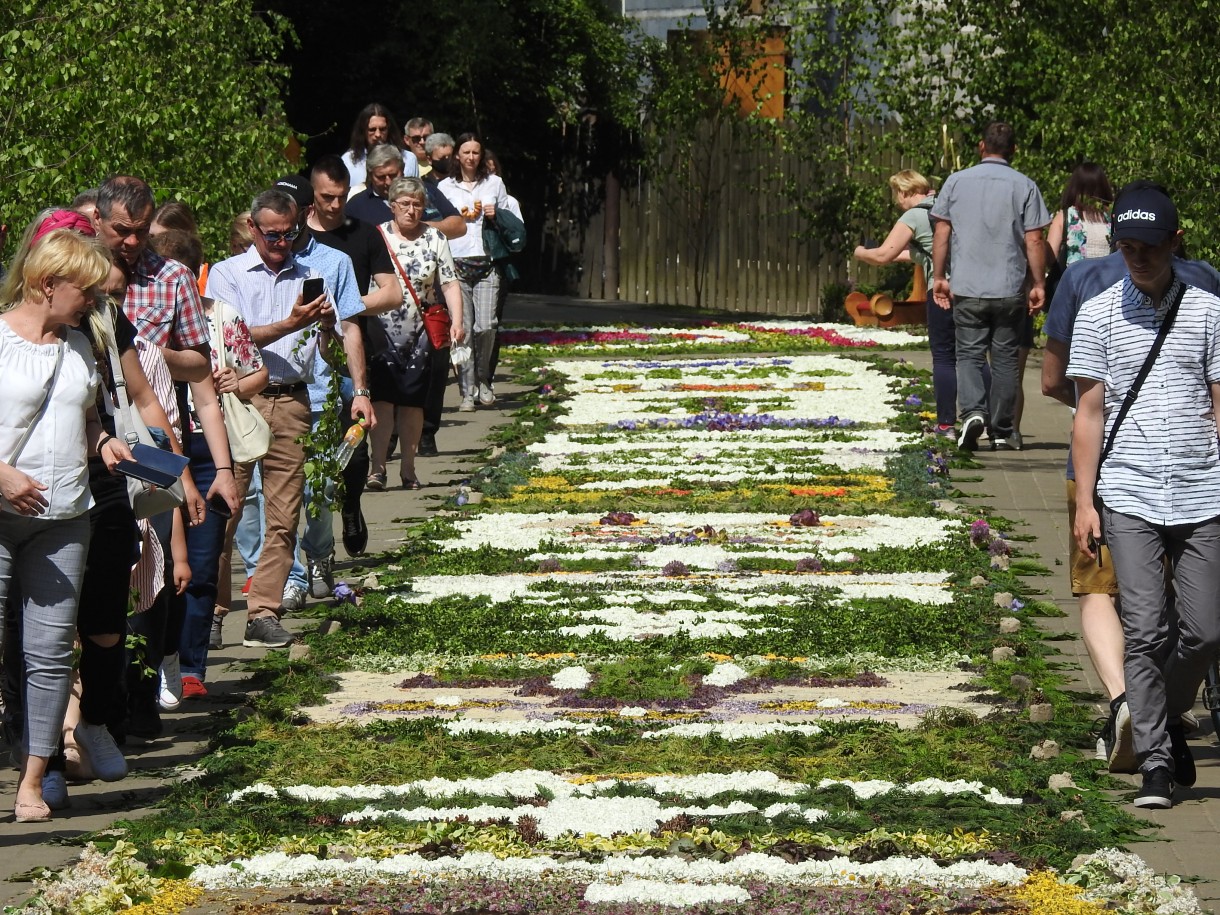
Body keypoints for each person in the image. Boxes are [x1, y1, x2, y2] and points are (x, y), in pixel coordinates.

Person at [1043, 181, 1220, 776]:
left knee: (1204, 632)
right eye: (1126, 245)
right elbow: (1086, 413)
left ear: (1176, 242)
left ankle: (1159, 717)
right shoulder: (1098, 313)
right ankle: (1156, 759)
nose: (1138, 256)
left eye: (1149, 245)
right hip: (1128, 489)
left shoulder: (1208, 310)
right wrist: (1085, 502)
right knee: (1145, 628)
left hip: (1201, 490)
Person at [0, 223, 123, 822]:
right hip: (1, 514)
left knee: (48, 654)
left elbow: (89, 414)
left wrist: (103, 444)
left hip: (66, 518)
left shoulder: (78, 343)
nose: (95, 301)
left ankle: (33, 779)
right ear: (48, 284)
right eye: (87, 291)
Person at [207, 188, 363, 649]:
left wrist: (328, 329)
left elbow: (329, 353)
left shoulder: (311, 274)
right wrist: (291, 324)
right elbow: (231, 338)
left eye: (290, 233)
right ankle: (212, 610)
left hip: (293, 400)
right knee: (226, 511)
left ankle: (263, 613)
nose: (281, 242)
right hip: (238, 404)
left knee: (283, 516)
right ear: (253, 229)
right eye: (272, 234)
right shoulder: (226, 275)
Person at [149, 229, 267, 693]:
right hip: (155, 448)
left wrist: (233, 380)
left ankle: (191, 667)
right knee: (153, 564)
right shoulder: (136, 328)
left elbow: (255, 370)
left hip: (204, 448)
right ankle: (155, 665)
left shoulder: (221, 319)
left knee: (202, 561)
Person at [267, 173, 370, 602]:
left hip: (323, 393)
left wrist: (360, 390)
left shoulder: (333, 263)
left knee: (320, 486)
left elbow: (350, 330)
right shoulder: (255, 262)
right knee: (276, 495)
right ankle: (293, 575)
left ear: (306, 213)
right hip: (270, 392)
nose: (282, 232)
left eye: (291, 219)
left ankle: (320, 552)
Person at [931, 122, 1050, 452]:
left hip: (967, 284)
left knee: (968, 354)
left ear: (981, 146)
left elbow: (941, 233)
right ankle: (1001, 429)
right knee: (1006, 360)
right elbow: (1035, 238)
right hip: (1009, 285)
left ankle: (972, 413)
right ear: (1013, 150)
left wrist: (940, 277)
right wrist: (1038, 283)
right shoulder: (1025, 185)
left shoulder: (956, 182)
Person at [306, 156, 402, 554]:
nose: (334, 205)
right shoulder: (294, 237)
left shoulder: (364, 234)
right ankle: (316, 537)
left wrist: (345, 304)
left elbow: (392, 292)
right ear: (312, 194)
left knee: (354, 439)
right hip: (301, 351)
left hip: (349, 347)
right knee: (312, 445)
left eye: (342, 197)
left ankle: (351, 503)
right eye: (327, 197)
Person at [368, 177, 464, 489]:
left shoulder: (435, 237)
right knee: (381, 400)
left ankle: (408, 469)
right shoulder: (377, 236)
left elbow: (449, 283)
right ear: (392, 206)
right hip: (382, 330)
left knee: (412, 402)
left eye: (417, 204)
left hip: (421, 331)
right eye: (405, 204)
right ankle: (377, 468)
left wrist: (458, 322)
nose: (411, 210)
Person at [853, 170, 962, 436]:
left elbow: (882, 254)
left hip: (940, 292)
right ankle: (984, 419)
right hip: (972, 289)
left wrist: (860, 252)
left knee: (945, 358)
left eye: (896, 194)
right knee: (974, 357)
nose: (896, 201)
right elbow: (925, 250)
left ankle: (947, 422)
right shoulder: (951, 206)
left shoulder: (913, 215)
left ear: (904, 192)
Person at [438, 132, 510, 411]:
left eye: (476, 152)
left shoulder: (494, 183)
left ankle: (484, 379)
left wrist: (495, 215)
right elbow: (440, 222)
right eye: (466, 152)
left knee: (487, 326)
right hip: (456, 263)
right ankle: (467, 391)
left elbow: (508, 220)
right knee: (463, 330)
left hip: (487, 260)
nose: (471, 157)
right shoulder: (446, 186)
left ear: (482, 155)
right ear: (457, 155)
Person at [341, 103, 418, 192]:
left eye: (382, 129)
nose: (378, 134)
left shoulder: (408, 159)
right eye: (372, 130)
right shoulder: (348, 161)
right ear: (363, 131)